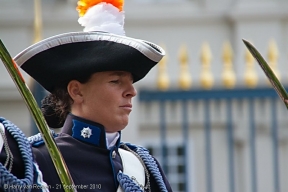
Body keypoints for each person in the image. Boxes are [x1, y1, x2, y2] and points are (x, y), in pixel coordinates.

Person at [0, 0, 172, 191]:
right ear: (77, 91)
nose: (132, 92)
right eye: (116, 81)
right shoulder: (36, 163)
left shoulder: (144, 168)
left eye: (131, 82)